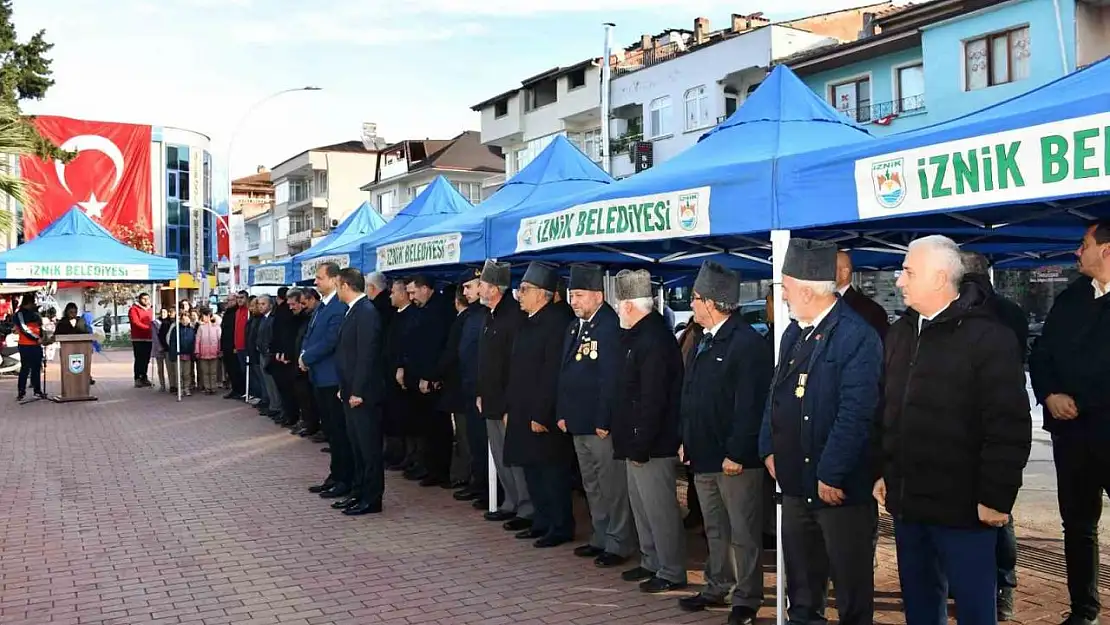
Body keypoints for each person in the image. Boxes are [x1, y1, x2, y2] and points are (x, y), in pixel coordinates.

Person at [876, 235, 1031, 625]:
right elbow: (886, 411)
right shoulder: (900, 334)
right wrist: (881, 470)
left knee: (975, 609)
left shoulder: (988, 337)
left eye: (909, 271)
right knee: (921, 606)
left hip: (965, 510)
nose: (899, 281)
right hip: (910, 505)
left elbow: (1008, 423)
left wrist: (996, 497)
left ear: (939, 277)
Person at [759, 240, 883, 625]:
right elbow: (775, 396)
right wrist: (768, 447)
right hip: (796, 484)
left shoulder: (856, 336)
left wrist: (831, 471)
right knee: (803, 589)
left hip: (838, 492)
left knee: (850, 588)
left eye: (786, 288)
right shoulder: (792, 334)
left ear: (809, 290)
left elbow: (857, 412)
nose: (782, 297)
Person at [680, 261, 772, 625]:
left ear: (713, 302)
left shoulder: (746, 344)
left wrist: (737, 451)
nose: (691, 306)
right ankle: (717, 584)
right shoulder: (705, 338)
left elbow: (750, 405)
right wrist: (686, 438)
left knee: (743, 531)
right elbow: (691, 394)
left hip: (734, 461)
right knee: (715, 528)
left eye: (695, 299)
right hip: (703, 454)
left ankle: (747, 598)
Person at [1029, 221, 1110, 625]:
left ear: (1107, 251)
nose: (1077, 252)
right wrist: (1049, 395)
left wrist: (1082, 401)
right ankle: (1084, 611)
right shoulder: (1071, 298)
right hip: (1073, 438)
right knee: (1077, 526)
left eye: (1084, 244)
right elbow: (1041, 355)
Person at [611, 269, 687, 594]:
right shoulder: (639, 336)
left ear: (629, 306)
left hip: (653, 443)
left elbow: (653, 399)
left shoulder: (653, 340)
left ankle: (670, 569)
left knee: (659, 509)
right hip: (636, 440)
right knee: (642, 507)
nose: (617, 311)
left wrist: (641, 443)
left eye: (618, 305)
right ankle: (651, 560)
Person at [962, 250, 1029, 622]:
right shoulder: (1011, 313)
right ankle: (1003, 588)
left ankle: (996, 586)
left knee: (993, 513)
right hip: (995, 421)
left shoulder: (981, 313)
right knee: (1000, 512)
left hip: (974, 423)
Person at [558, 263, 634, 567]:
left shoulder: (608, 326)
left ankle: (618, 542)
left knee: (611, 485)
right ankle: (600, 536)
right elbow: (564, 373)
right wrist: (562, 412)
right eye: (571, 295)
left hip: (599, 424)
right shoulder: (575, 326)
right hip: (577, 420)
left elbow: (610, 378)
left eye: (577, 295)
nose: (572, 301)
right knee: (591, 483)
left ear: (597, 296)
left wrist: (604, 419)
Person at [504, 261, 576, 548]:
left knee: (551, 473)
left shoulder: (556, 323)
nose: (519, 294)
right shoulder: (528, 321)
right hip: (522, 409)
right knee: (532, 470)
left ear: (543, 293)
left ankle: (560, 525)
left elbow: (551, 374)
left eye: (524, 289)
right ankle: (542, 520)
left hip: (541, 414)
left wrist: (541, 414)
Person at [476, 259, 533, 527]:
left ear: (495, 289)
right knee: (500, 456)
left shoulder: (514, 317)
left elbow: (517, 365)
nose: (478, 290)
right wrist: (480, 392)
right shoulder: (491, 314)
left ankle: (525, 506)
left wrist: (512, 405)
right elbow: (485, 359)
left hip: (508, 402)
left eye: (482, 285)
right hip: (490, 398)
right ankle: (510, 501)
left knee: (515, 457)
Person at [334, 268, 385, 516]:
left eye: (337, 285)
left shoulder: (366, 311)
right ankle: (358, 492)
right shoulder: (353, 310)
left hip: (363, 394)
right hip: (350, 391)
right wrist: (344, 388)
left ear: (346, 286)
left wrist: (357, 390)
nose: (336, 290)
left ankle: (372, 498)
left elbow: (367, 355)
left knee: (369, 448)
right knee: (356, 447)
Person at [302, 262, 354, 501]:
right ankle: (335, 476)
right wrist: (304, 354)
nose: (316, 282)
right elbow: (312, 335)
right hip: (319, 377)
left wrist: (307, 356)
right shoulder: (323, 306)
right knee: (332, 431)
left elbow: (331, 340)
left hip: (332, 378)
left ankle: (344, 479)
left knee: (339, 432)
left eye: (319, 278)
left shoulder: (338, 306)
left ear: (334, 280)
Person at [437, 270, 487, 501]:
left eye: (469, 287)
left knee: (478, 441)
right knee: (474, 441)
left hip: (479, 389)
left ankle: (486, 488)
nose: (465, 292)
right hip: (467, 388)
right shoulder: (471, 316)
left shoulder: (485, 316)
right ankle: (479, 485)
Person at [404, 275, 457, 488]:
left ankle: (440, 471)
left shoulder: (440, 311)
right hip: (421, 379)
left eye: (413, 292)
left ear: (426, 288)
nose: (411, 297)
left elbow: (438, 348)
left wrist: (431, 376)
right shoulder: (422, 310)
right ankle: (429, 466)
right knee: (426, 427)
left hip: (435, 381)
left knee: (438, 429)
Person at [835, 251, 889, 340]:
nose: (823, 274)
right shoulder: (820, 302)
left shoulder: (870, 310)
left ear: (844, 273)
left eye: (829, 269)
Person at [14, 295, 45, 401]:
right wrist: (36, 338)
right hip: (25, 345)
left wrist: (42, 336)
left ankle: (37, 391)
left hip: (36, 346)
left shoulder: (35, 314)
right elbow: (24, 328)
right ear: (28, 303)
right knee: (25, 369)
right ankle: (21, 391)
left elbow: (40, 327)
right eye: (33, 303)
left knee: (37, 368)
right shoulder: (20, 314)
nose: (34, 305)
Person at [166, 305, 197, 397]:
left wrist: (193, 353)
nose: (185, 321)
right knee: (179, 373)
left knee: (187, 373)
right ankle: (180, 388)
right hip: (178, 355)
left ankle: (186, 388)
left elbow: (193, 342)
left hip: (187, 354)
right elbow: (172, 342)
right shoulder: (176, 329)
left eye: (187, 319)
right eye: (183, 319)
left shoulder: (191, 330)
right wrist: (174, 353)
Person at [194, 307, 221, 395]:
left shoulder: (216, 327)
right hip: (203, 353)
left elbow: (219, 339)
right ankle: (207, 387)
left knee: (213, 372)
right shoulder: (201, 328)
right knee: (205, 372)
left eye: (205, 316)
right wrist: (197, 351)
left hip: (214, 352)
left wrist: (220, 350)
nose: (204, 318)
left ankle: (213, 387)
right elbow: (197, 340)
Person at [129, 293, 154, 388]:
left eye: (147, 299)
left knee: (146, 359)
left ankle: (144, 376)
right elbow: (135, 322)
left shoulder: (151, 309)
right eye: (144, 299)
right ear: (140, 299)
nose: (146, 301)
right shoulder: (134, 309)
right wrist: (148, 328)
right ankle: (137, 378)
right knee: (139, 358)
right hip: (138, 338)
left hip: (149, 338)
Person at [221, 293, 243, 399]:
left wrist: (235, 346)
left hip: (234, 346)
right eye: (228, 300)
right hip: (226, 345)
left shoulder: (237, 312)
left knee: (236, 369)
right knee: (230, 369)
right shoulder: (227, 313)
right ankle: (234, 389)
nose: (229, 302)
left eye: (231, 300)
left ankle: (239, 390)